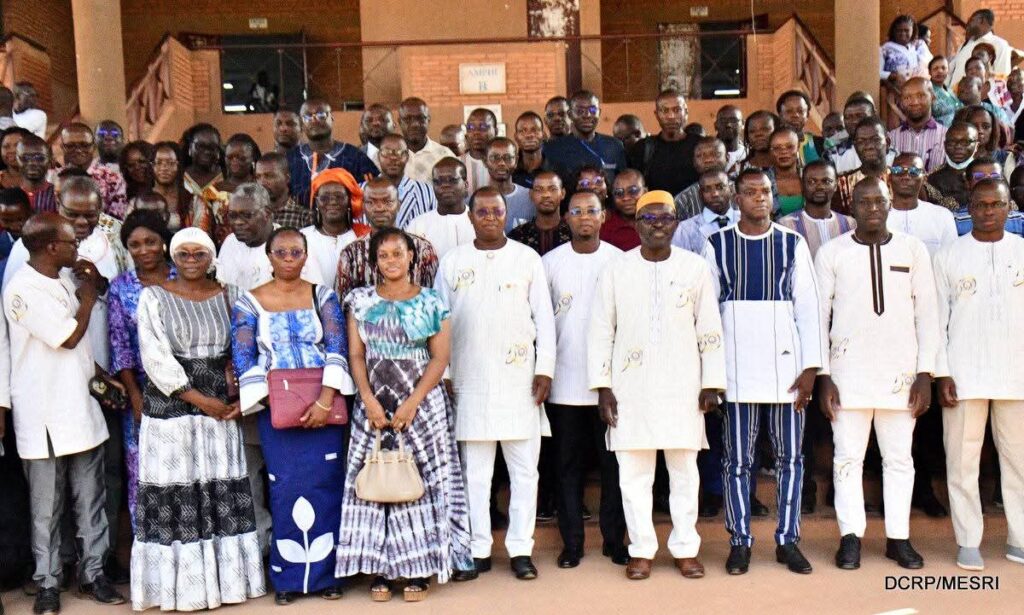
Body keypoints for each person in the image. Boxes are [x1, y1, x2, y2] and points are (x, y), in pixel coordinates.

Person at [588, 189, 725, 581]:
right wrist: (602, 386)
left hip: (684, 385)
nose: (657, 225)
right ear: (635, 224)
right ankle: (642, 550)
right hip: (630, 388)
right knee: (633, 475)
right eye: (648, 219)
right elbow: (601, 330)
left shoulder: (695, 267)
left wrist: (712, 382)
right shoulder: (616, 269)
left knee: (685, 473)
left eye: (665, 218)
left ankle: (685, 548)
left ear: (676, 223)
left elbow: (709, 328)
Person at [337, 227, 474, 599]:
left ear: (412, 256)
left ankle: (418, 569)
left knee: (421, 482)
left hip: (422, 402)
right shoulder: (360, 301)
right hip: (375, 402)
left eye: (398, 253)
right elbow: (355, 355)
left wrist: (413, 402)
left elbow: (441, 357)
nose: (392, 261)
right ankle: (381, 571)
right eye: (384, 255)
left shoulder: (431, 302)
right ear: (374, 262)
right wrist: (367, 399)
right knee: (377, 481)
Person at [132, 227, 264, 610]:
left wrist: (241, 394)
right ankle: (180, 590)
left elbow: (246, 349)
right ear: (173, 258)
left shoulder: (233, 297)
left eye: (199, 253)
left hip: (221, 410)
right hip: (174, 408)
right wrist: (199, 399)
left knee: (219, 489)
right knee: (178, 491)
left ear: (211, 257)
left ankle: (226, 586)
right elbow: (154, 358)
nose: (191, 260)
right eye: (183, 254)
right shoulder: (153, 297)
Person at [816, 177, 939, 571]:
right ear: (851, 205)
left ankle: (898, 538)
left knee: (900, 459)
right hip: (847, 373)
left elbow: (929, 315)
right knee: (847, 459)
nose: (872, 208)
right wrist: (823, 375)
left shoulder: (913, 249)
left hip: (901, 375)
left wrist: (926, 374)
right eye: (864, 201)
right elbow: (817, 318)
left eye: (879, 201)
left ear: (891, 205)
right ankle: (850, 537)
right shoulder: (832, 252)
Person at [3, 212, 124, 614]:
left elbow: (84, 350)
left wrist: (105, 378)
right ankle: (48, 583)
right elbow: (70, 337)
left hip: (81, 405)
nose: (79, 249)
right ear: (52, 247)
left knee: (90, 500)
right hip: (43, 411)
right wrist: (87, 296)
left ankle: (94, 575)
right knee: (46, 508)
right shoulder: (21, 289)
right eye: (72, 243)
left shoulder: (69, 279)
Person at [703, 168, 822, 575]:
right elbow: (707, 316)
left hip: (787, 372)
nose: (758, 198)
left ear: (774, 197)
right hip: (736, 373)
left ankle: (788, 540)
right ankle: (740, 541)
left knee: (791, 459)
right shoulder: (716, 244)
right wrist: (712, 375)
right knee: (737, 460)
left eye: (765, 192)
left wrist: (810, 370)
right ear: (736, 197)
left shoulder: (792, 244)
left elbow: (808, 310)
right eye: (750, 192)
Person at [435, 185, 556, 581]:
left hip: (520, 381)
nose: (489, 218)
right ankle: (478, 548)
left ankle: (521, 550)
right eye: (482, 212)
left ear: (507, 215)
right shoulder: (453, 261)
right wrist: (447, 373)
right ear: (470, 217)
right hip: (469, 380)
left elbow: (545, 320)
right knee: (476, 474)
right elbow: (441, 323)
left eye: (496, 212)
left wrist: (545, 370)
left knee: (525, 472)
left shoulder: (527, 259)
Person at [231, 227, 353, 604]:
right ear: (268, 256)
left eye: (296, 252)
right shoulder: (249, 302)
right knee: (284, 489)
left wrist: (323, 400)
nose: (288, 258)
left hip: (325, 404)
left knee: (326, 487)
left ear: (306, 255)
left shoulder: (324, 296)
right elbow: (243, 357)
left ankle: (327, 576)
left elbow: (337, 345)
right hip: (276, 410)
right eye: (280, 252)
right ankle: (288, 581)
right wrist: (275, 404)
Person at [934, 178, 1024, 571]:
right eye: (981, 204)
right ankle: (968, 540)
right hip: (963, 373)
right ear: (968, 208)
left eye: (997, 204)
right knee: (963, 461)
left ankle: (1020, 537)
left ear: (1010, 207)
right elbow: (936, 321)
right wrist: (941, 374)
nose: (989, 211)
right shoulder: (949, 255)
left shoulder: (1022, 252)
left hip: (1017, 373)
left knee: (1019, 461)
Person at [542, 190, 627, 568]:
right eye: (576, 211)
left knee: (614, 467)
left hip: (611, 386)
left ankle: (614, 540)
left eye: (591, 210)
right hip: (564, 384)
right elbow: (541, 326)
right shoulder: (549, 263)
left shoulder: (621, 262)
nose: (584, 217)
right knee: (567, 468)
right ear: (566, 217)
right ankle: (572, 543)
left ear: (603, 215)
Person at [107, 210, 176, 539]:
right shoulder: (121, 288)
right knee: (142, 473)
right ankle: (149, 553)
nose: (144, 250)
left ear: (163, 242)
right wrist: (135, 395)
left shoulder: (183, 276)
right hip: (143, 390)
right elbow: (120, 346)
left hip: (186, 389)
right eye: (135, 245)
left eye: (150, 241)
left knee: (181, 467)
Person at [337, 177, 437, 301]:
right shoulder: (351, 253)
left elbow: (434, 302)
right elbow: (342, 306)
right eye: (371, 202)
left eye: (387, 202)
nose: (379, 208)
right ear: (363, 206)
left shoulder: (422, 249)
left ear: (399, 205)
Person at [287, 98, 378, 208]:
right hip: (299, 223)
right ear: (301, 123)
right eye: (308, 117)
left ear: (332, 117)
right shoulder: (290, 159)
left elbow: (371, 194)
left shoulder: (355, 157)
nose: (314, 120)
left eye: (321, 115)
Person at [544, 90, 627, 187]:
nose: (587, 115)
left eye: (592, 110)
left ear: (599, 113)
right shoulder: (553, 149)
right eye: (580, 111)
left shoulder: (614, 146)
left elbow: (622, 183)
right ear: (570, 114)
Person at [301, 168, 364, 290]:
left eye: (339, 196)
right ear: (317, 202)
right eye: (325, 198)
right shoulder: (301, 238)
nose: (333, 202)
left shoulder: (364, 236)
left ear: (349, 200)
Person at [628, 89, 699, 196]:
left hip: (694, 211)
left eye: (676, 110)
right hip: (656, 211)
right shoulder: (643, 148)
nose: (671, 116)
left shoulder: (700, 145)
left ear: (686, 112)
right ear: (656, 115)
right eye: (665, 111)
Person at [778, 160, 854, 258]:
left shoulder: (850, 225)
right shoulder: (785, 226)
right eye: (812, 182)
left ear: (835, 185)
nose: (819, 187)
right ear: (802, 185)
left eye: (826, 181)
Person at [888, 152, 957, 255]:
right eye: (898, 170)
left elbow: (951, 259)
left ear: (924, 178)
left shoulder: (942, 216)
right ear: (889, 177)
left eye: (914, 171)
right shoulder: (877, 216)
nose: (906, 176)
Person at [407, 157, 475, 258]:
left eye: (452, 180)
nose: (445, 186)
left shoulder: (480, 222)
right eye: (438, 182)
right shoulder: (417, 225)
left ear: (466, 185)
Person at [60, 123, 129, 220]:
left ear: (94, 145)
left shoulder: (113, 179)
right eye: (70, 146)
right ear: (62, 147)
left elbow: (117, 221)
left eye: (84, 145)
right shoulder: (55, 177)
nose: (78, 150)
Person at [375, 132, 437, 229]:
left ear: (407, 157)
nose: (393, 158)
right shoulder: (362, 191)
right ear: (379, 156)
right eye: (387, 152)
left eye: (399, 153)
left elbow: (433, 228)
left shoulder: (426, 191)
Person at [671, 168, 738, 254]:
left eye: (720, 187)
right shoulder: (686, 229)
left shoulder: (747, 221)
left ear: (731, 189)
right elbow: (678, 263)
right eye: (707, 189)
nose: (715, 194)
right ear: (700, 194)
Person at [888, 77, 948, 172]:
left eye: (921, 96)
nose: (914, 102)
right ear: (901, 102)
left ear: (933, 97)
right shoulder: (891, 138)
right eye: (907, 97)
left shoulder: (946, 136)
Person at [834, 117, 891, 215]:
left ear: (888, 143)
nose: (869, 146)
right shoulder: (842, 184)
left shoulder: (901, 178)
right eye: (861, 141)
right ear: (855, 147)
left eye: (876, 140)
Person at [947, 9, 1016, 87]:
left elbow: (1002, 78)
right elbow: (950, 71)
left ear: (981, 20)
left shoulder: (1000, 44)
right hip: (953, 96)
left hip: (978, 97)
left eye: (971, 20)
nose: (967, 25)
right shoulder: (965, 45)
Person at [509, 170, 570, 255]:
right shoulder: (517, 236)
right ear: (531, 195)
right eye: (539, 190)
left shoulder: (574, 234)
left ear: (562, 193)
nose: (546, 195)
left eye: (553, 189)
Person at [181, 123, 224, 240]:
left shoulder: (226, 178)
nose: (206, 151)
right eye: (200, 146)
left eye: (212, 147)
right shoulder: (179, 178)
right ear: (190, 147)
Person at [923, 120, 979, 211]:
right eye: (952, 142)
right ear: (944, 145)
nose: (958, 146)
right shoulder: (930, 179)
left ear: (977, 145)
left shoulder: (987, 173)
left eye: (965, 142)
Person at [833, 97, 895, 174]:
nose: (854, 121)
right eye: (848, 117)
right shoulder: (835, 155)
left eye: (860, 116)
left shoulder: (896, 160)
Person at [398, 97, 454, 183]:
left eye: (420, 118)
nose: (415, 124)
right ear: (399, 122)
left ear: (428, 120)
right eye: (408, 119)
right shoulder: (389, 157)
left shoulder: (444, 155)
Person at [673, 137, 729, 220]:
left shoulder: (742, 192)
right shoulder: (682, 200)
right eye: (700, 156)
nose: (708, 160)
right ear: (694, 162)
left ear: (727, 158)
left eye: (715, 154)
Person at [485, 137, 533, 231]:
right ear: (485, 161)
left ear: (516, 161)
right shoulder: (475, 200)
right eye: (495, 158)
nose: (501, 163)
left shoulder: (531, 197)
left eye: (507, 158)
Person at [255, 151, 312, 229]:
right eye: (258, 177)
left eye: (269, 176)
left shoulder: (305, 217)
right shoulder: (253, 214)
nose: (262, 182)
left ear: (287, 178)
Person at [149, 141, 192, 232]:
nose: (164, 168)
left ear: (178, 166)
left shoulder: (191, 201)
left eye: (170, 163)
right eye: (159, 162)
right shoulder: (140, 199)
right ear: (152, 166)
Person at [600, 169, 645, 251]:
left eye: (633, 191)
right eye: (619, 193)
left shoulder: (660, 222)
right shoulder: (605, 230)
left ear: (645, 191)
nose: (626, 198)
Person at [776, 90, 826, 164]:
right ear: (780, 115)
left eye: (800, 111)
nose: (795, 115)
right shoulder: (772, 145)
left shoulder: (821, 144)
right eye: (789, 111)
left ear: (807, 115)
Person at [881, 15, 928, 88]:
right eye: (899, 30)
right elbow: (876, 73)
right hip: (894, 92)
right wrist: (893, 76)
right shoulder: (885, 49)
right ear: (894, 31)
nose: (903, 34)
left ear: (913, 31)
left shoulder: (916, 47)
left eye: (906, 30)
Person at [767, 128, 804, 216]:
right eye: (777, 148)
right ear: (770, 151)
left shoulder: (810, 177)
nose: (783, 152)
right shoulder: (762, 181)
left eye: (790, 147)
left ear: (798, 147)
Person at [461, 108, 498, 194]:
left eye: (483, 127)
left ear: (496, 131)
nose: (476, 132)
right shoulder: (457, 164)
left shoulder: (504, 163)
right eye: (470, 127)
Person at [512, 111, 546, 189]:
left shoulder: (556, 169)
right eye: (522, 131)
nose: (529, 135)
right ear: (516, 137)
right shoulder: (510, 170)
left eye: (534, 130)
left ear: (543, 135)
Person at [930, 56, 964, 127]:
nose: (940, 71)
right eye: (935, 68)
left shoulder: (950, 90)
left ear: (948, 70)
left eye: (943, 68)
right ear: (930, 72)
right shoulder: (928, 90)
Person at [359, 103, 395, 167]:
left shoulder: (408, 156)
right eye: (369, 120)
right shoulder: (352, 158)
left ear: (394, 125)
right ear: (362, 126)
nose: (375, 123)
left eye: (383, 120)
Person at [0, 188, 31, 261]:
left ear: (29, 213)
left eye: (20, 219)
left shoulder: (42, 241)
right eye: (6, 221)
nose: (14, 227)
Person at [715, 105, 746, 177]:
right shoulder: (708, 156)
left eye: (734, 120)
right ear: (716, 125)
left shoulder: (749, 155)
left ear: (743, 124)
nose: (728, 124)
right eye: (723, 121)